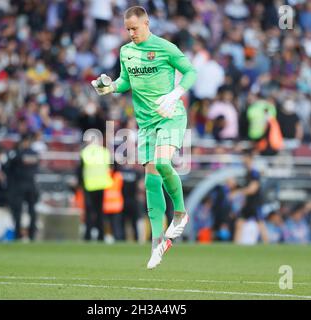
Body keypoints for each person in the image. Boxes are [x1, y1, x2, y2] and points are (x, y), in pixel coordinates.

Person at [91, 6, 197, 269]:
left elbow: (191, 72)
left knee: (162, 163)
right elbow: (126, 80)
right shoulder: (126, 52)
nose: (131, 33)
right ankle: (157, 242)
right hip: (146, 123)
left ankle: (181, 213)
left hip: (171, 115)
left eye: (135, 28)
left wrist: (174, 95)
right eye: (127, 29)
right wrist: (111, 87)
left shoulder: (165, 47)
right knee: (151, 182)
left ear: (147, 23)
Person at [5, 133, 40, 241]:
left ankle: (18, 235)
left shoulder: (17, 153)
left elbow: (8, 167)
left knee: (18, 211)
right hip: (31, 184)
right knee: (31, 211)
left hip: (19, 185)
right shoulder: (35, 154)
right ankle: (31, 235)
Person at [78, 138, 113, 242]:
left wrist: (80, 184)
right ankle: (100, 236)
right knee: (100, 212)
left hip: (88, 186)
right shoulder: (105, 152)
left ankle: (88, 236)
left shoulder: (85, 152)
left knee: (89, 212)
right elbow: (112, 167)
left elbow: (80, 169)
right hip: (101, 185)